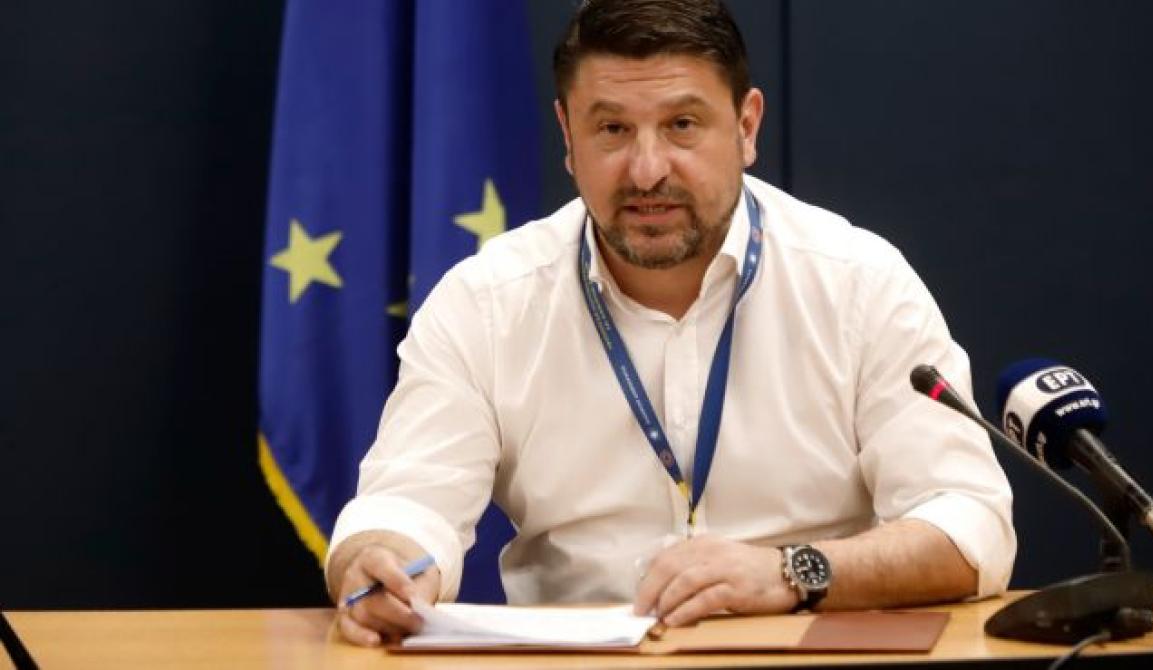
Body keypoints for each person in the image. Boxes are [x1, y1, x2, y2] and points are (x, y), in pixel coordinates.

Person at [327, 0, 1016, 647]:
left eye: (682, 125)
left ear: (746, 127)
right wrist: (380, 562)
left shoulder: (858, 284)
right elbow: (407, 505)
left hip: (807, 650)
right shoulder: (487, 302)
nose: (648, 170)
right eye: (612, 130)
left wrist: (790, 572)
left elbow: (969, 525)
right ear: (568, 136)